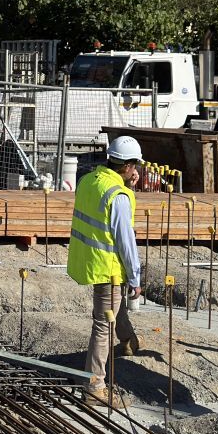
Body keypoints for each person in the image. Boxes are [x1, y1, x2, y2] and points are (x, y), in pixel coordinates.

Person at [67, 135, 145, 406]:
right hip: (108, 267)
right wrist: (135, 277)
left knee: (114, 307)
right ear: (127, 166)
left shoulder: (88, 181)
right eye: (134, 166)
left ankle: (127, 340)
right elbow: (126, 241)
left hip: (89, 259)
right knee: (102, 326)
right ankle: (94, 386)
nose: (136, 171)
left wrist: (127, 188)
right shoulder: (119, 196)